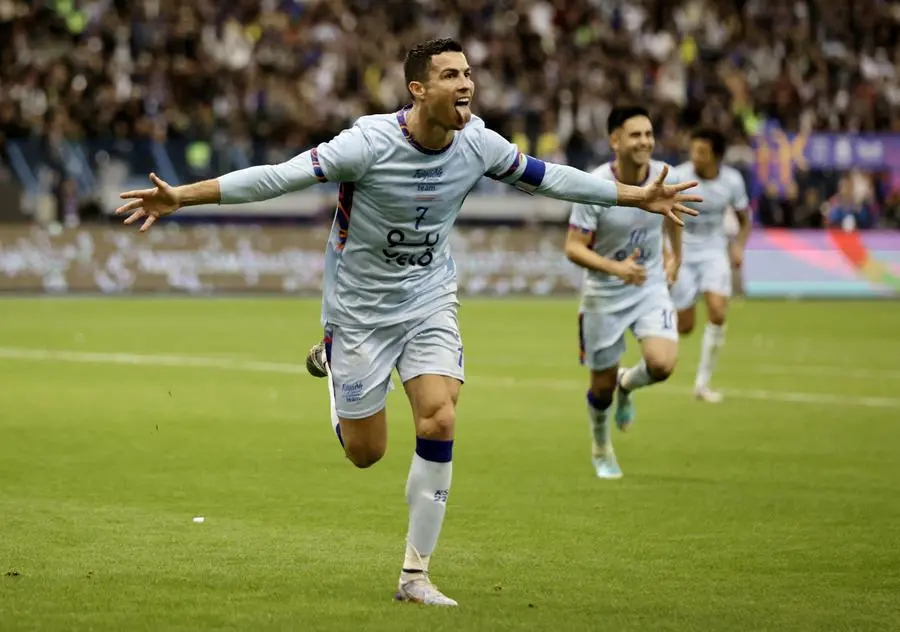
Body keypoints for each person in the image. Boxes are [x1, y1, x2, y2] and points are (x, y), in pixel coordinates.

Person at [115, 38, 701, 606]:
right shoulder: (366, 143)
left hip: (428, 298)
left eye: (468, 73)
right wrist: (182, 198)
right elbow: (276, 176)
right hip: (358, 311)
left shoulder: (479, 144)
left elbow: (552, 178)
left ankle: (415, 575)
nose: (466, 83)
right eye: (450, 75)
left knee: (441, 417)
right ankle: (331, 358)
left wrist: (632, 197)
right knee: (366, 453)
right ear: (417, 89)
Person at [565, 106, 683, 479]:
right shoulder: (595, 187)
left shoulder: (665, 176)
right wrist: (617, 269)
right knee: (600, 388)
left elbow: (674, 214)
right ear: (615, 140)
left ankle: (627, 384)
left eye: (649, 134)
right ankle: (601, 447)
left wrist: (675, 256)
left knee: (662, 364)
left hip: (648, 285)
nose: (645, 141)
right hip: (604, 292)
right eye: (636, 135)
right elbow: (573, 247)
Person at [671, 128, 750, 402]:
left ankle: (702, 384)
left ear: (716, 155)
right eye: (693, 150)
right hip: (682, 252)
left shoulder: (732, 181)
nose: (695, 156)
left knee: (717, 312)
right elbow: (662, 218)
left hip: (715, 251)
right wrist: (667, 253)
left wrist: (738, 246)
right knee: (685, 326)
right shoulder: (679, 176)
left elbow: (744, 219)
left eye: (701, 152)